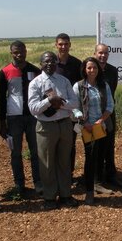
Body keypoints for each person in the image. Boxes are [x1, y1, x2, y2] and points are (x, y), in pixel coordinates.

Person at [28, 52, 79, 210]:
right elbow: (33, 108)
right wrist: (49, 100)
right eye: (46, 61)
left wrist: (59, 103)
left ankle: (65, 195)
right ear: (41, 64)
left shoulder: (64, 81)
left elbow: (74, 102)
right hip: (46, 127)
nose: (50, 64)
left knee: (64, 161)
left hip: (64, 124)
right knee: (47, 163)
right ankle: (49, 197)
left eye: (53, 61)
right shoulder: (35, 83)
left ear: (57, 63)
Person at [0, 40, 42, 197]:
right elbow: (2, 99)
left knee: (35, 151)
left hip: (32, 117)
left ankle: (38, 182)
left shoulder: (35, 70)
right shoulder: (5, 72)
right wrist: (2, 122)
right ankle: (19, 184)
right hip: (13, 117)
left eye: (22, 51)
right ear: (11, 53)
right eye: (16, 52)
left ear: (26, 52)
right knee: (15, 152)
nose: (19, 54)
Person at [72, 57, 115, 205]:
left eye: (94, 68)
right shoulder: (78, 86)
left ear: (98, 70)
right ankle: (89, 191)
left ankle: (98, 184)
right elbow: (74, 106)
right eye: (89, 68)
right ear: (84, 69)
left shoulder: (104, 85)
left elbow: (110, 105)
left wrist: (101, 120)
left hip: (101, 127)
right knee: (90, 158)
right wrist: (84, 122)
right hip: (87, 128)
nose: (92, 70)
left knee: (100, 156)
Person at [54, 33, 82, 180]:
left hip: (72, 110)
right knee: (55, 144)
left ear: (70, 45)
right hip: (54, 111)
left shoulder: (77, 64)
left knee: (70, 144)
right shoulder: (50, 64)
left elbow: (81, 88)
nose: (63, 47)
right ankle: (56, 174)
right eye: (60, 44)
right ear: (56, 45)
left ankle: (69, 174)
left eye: (66, 44)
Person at [94, 43, 121, 189]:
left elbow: (112, 92)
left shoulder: (112, 71)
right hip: (93, 116)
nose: (103, 56)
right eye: (100, 53)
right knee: (96, 146)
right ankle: (96, 180)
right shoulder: (91, 69)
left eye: (105, 53)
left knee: (110, 145)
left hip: (108, 113)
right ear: (95, 53)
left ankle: (111, 176)